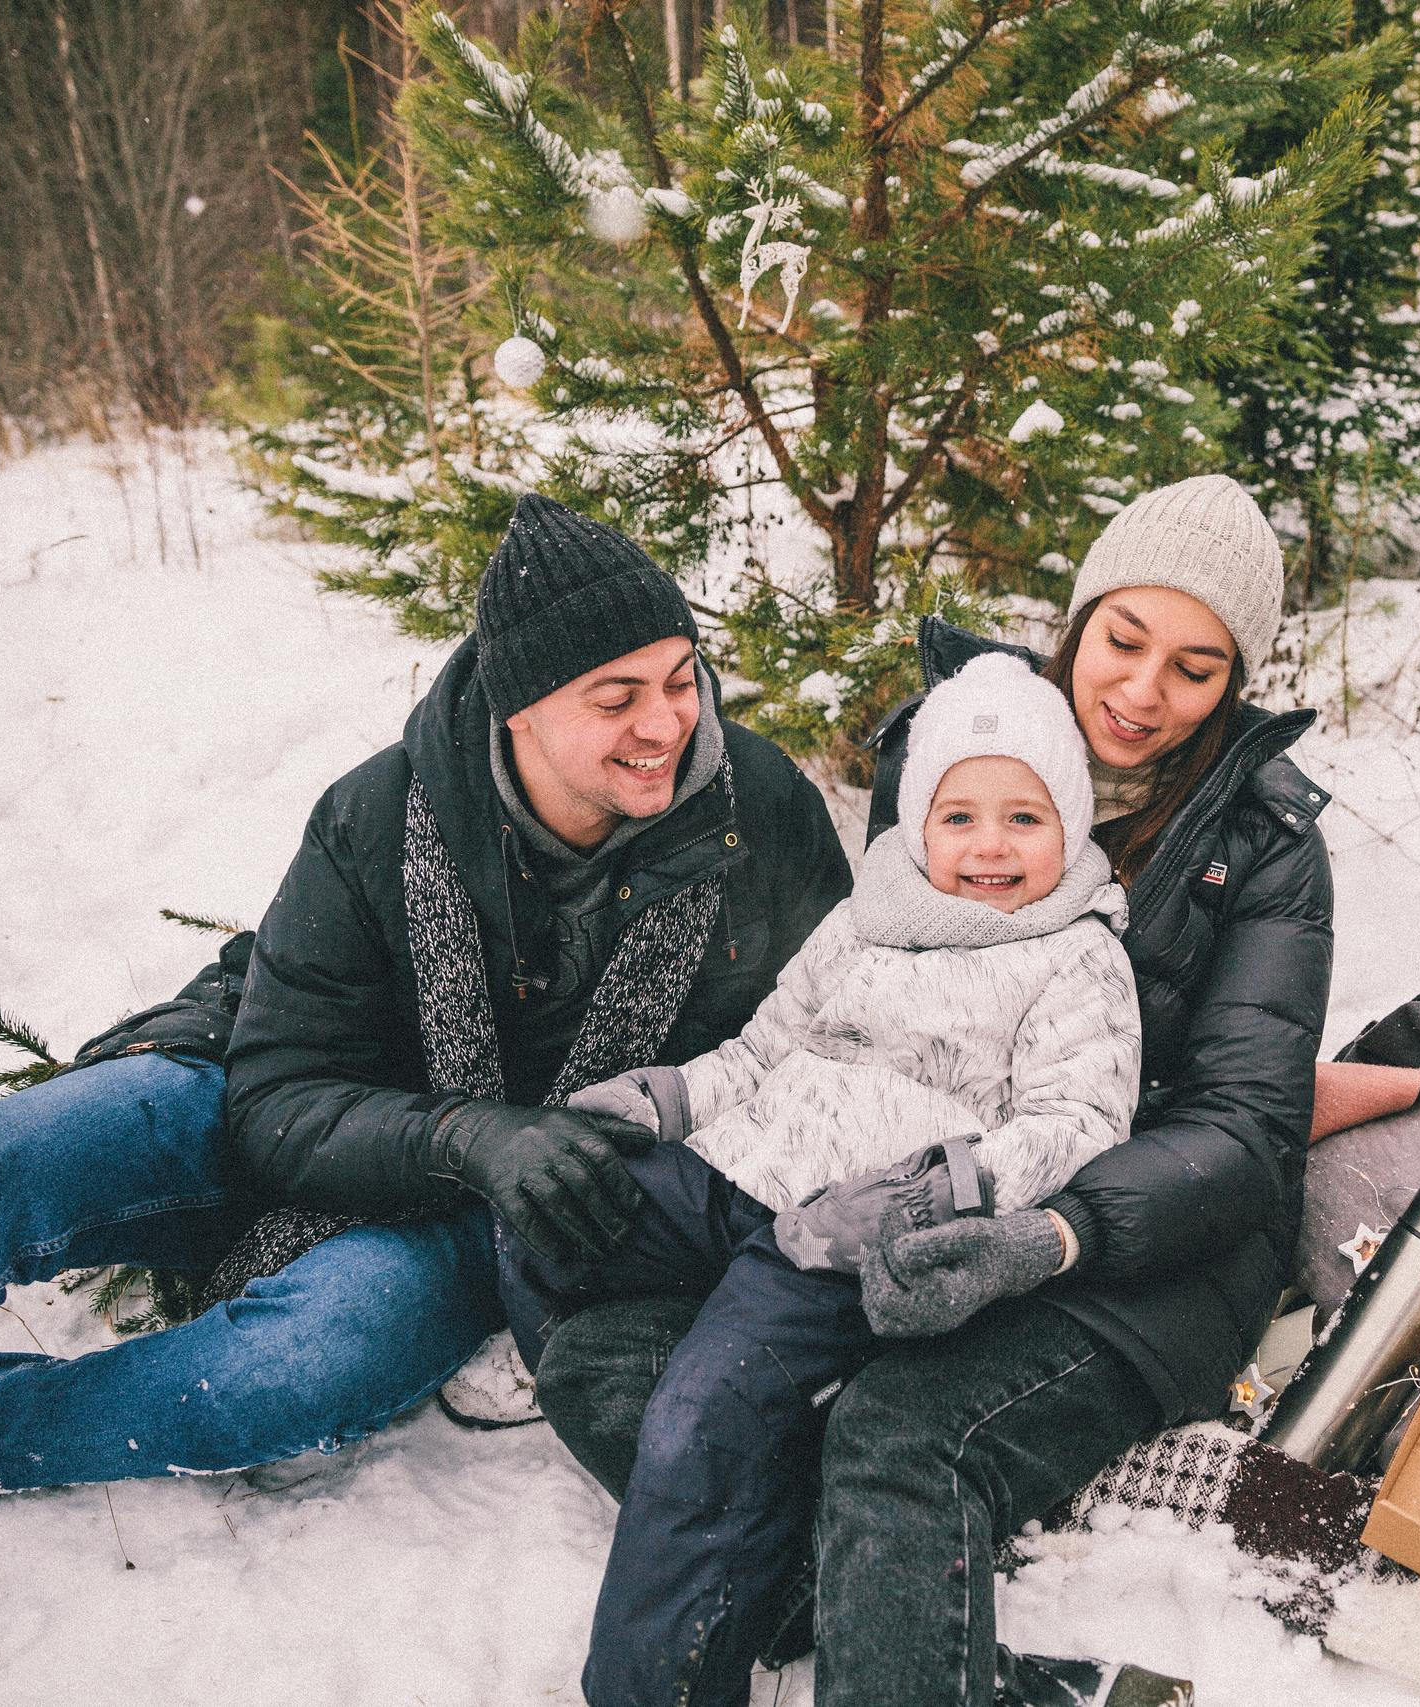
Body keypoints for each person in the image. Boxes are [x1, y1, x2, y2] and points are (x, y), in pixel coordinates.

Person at [0, 494, 852, 1608]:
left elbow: (843, 1045)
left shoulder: (762, 821)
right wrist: (464, 1130)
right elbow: (273, 1091)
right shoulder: (383, 813)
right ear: (518, 707)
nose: (666, 724)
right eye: (617, 698)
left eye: (678, 678)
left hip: (521, 1203)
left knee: (288, 1368)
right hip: (280, 1078)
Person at [535, 473, 1336, 1707]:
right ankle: (884, 1610)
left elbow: (1242, 1131)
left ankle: (894, 1599)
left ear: (1235, 684)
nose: (1141, 691)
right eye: (1123, 640)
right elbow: (878, 1006)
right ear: (1079, 623)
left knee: (899, 1436)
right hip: (900, 1187)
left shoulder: (1268, 847)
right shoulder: (961, 735)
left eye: (1196, 667)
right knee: (603, 1360)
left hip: (1142, 1242)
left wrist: (1044, 1231)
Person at [502, 652, 1142, 1707]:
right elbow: (761, 1051)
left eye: (1024, 820)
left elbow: (1079, 1121)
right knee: (544, 1203)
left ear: (1070, 828)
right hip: (732, 1170)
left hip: (838, 1238)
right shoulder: (867, 916)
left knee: (698, 1421)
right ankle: (739, 1476)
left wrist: (939, 1190)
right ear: (918, 824)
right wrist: (668, 1099)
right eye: (960, 816)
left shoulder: (1073, 953)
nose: (988, 846)